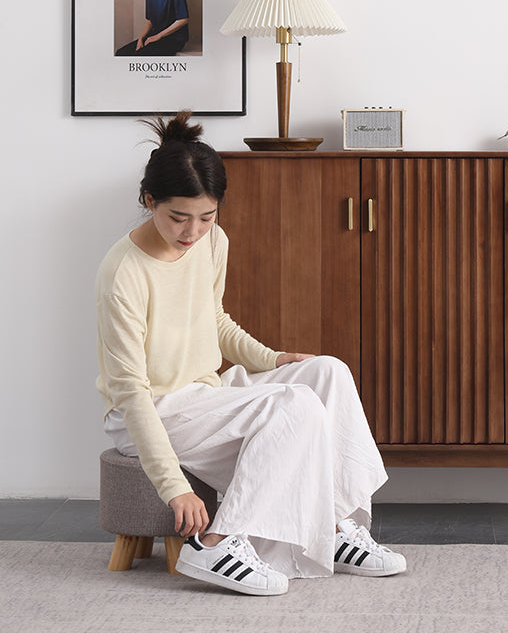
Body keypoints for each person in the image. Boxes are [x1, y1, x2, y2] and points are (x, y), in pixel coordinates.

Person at [95, 111, 406, 596]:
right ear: (149, 200)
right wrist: (174, 486)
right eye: (178, 217)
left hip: (205, 393)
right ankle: (217, 542)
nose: (193, 231)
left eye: (207, 216)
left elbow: (214, 319)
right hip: (154, 408)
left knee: (326, 373)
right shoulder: (123, 274)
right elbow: (131, 392)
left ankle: (335, 524)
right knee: (293, 405)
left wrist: (273, 358)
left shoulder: (212, 242)